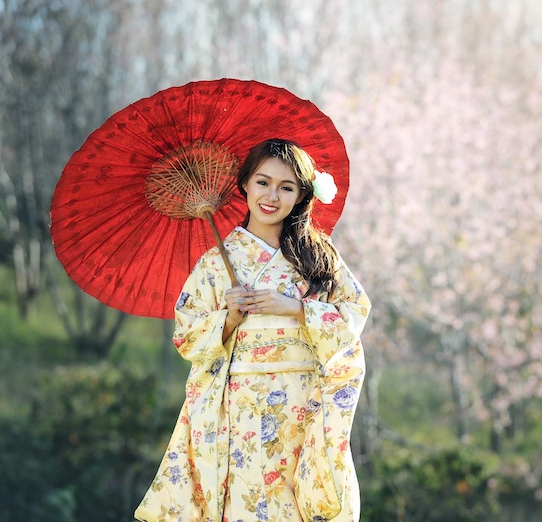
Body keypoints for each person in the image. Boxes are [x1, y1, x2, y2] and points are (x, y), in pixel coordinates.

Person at [135, 139, 371, 522]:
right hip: (238, 406)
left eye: (286, 187)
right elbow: (187, 335)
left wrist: (296, 308)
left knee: (297, 503)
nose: (272, 196)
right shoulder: (216, 262)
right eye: (262, 182)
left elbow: (354, 313)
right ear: (244, 184)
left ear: (301, 196)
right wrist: (227, 318)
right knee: (243, 502)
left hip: (302, 404)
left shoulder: (318, 256)